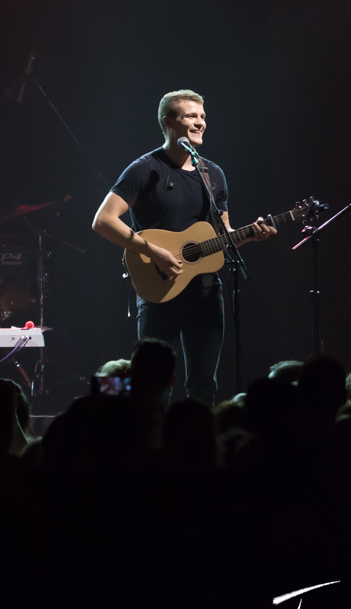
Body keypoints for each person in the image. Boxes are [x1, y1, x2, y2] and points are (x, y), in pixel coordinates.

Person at [91, 89, 276, 406]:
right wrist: (155, 252)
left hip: (205, 291)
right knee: (151, 385)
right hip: (158, 288)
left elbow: (223, 233)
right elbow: (103, 220)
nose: (201, 122)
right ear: (168, 122)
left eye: (203, 117)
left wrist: (248, 234)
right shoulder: (145, 169)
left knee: (204, 386)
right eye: (192, 115)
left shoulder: (212, 174)